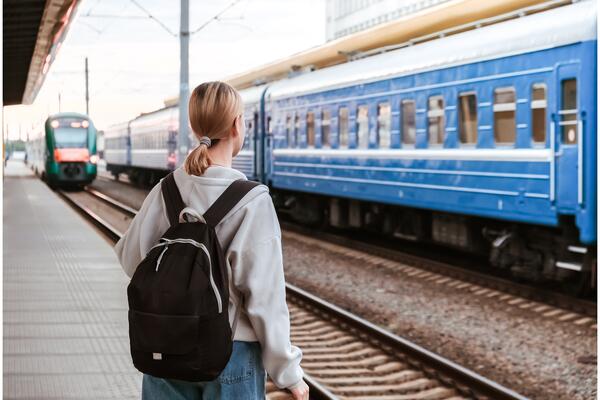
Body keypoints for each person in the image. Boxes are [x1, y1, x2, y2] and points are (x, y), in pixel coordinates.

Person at [115, 81, 309, 400]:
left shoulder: (166, 190)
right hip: (230, 357)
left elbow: (130, 259)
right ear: (236, 125)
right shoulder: (253, 201)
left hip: (164, 349)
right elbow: (265, 299)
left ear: (194, 127)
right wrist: (288, 373)